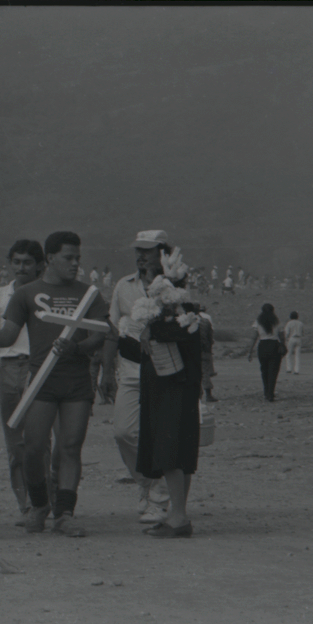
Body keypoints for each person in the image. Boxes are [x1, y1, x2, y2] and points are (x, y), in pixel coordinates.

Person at [0, 231, 110, 536]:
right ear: (50, 258)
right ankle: (40, 505)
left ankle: (65, 513)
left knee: (70, 447)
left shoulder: (90, 294)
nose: (75, 264)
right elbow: (7, 335)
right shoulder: (26, 294)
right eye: (68, 258)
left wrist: (79, 349)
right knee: (32, 449)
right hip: (41, 382)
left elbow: (100, 334)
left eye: (78, 258)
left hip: (77, 384)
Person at [0, 239, 57, 523]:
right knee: (15, 442)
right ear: (9, 263)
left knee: (40, 441)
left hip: (40, 368)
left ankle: (45, 501)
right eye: (17, 262)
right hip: (8, 369)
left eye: (28, 263)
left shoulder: (46, 294)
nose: (21, 268)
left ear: (40, 265)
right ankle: (26, 504)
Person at [99, 231, 174, 525]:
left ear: (162, 253)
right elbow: (112, 331)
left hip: (166, 372)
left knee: (160, 436)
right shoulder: (123, 286)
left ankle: (159, 500)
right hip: (130, 371)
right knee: (123, 432)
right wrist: (107, 371)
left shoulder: (175, 284)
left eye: (148, 250)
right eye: (138, 251)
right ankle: (147, 483)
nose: (141, 256)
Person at [115, 295, 202, 539]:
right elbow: (144, 353)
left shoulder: (183, 310)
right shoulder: (172, 313)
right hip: (165, 385)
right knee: (176, 451)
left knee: (171, 450)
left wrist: (151, 329)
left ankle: (179, 516)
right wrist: (124, 339)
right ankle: (178, 513)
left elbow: (184, 333)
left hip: (175, 386)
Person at [247, 304, 284, 402]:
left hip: (262, 346)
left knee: (264, 370)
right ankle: (271, 394)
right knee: (273, 371)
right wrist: (283, 346)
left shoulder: (258, 322)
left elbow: (254, 337)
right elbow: (282, 336)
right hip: (274, 345)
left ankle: (266, 392)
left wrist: (250, 351)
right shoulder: (277, 322)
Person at [198, 305, 218, 401]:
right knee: (205, 373)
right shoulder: (206, 320)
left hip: (191, 352)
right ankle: (208, 395)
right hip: (204, 350)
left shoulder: (186, 322)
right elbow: (210, 336)